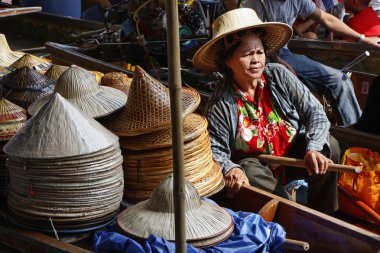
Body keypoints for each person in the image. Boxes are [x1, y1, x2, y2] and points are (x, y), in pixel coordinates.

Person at [193, 8, 340, 214]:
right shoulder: (221, 102)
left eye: (259, 52)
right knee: (250, 171)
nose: (256, 60)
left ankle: (324, 214)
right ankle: (293, 214)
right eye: (247, 54)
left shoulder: (278, 75)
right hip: (256, 165)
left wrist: (313, 148)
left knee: (329, 146)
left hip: (290, 153)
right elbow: (215, 150)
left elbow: (315, 113)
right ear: (228, 61)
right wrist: (230, 168)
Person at [224, 0, 380, 127]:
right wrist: (280, 63)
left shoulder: (297, 1)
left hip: (284, 54)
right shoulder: (256, 3)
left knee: (340, 80)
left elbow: (326, 19)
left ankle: (354, 134)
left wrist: (362, 38)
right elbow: (251, 42)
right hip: (265, 56)